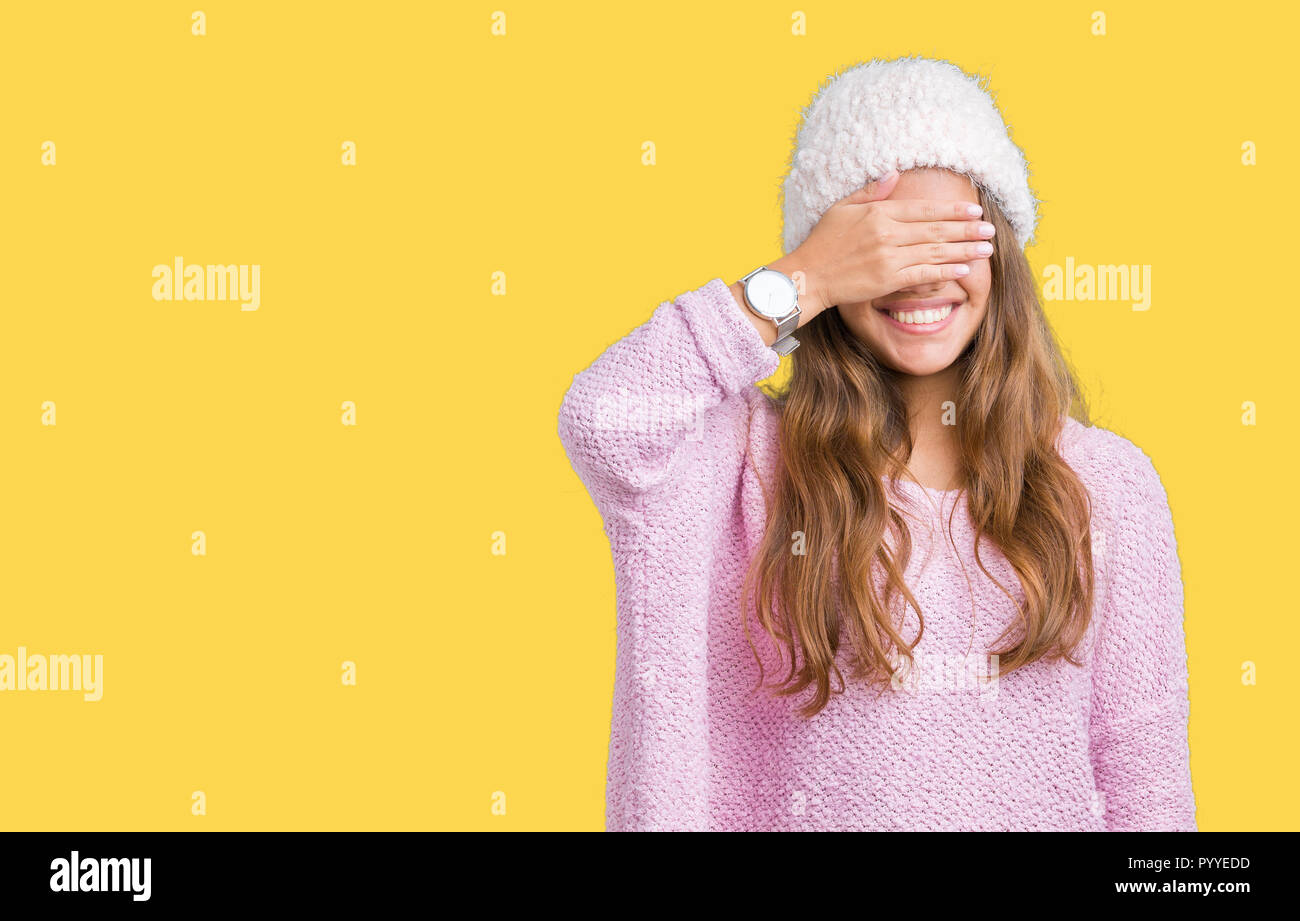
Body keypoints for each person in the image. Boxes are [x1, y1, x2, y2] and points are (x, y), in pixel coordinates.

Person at [557, 55, 1195, 831]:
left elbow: (1146, 785)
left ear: (1002, 249)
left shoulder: (1107, 485)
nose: (917, 276)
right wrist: (802, 280)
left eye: (946, 239)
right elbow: (607, 419)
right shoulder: (743, 466)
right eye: (881, 247)